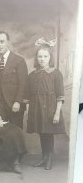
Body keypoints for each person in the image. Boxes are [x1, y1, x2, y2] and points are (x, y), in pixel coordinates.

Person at [26, 37, 65, 170]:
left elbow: (60, 95)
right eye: (40, 56)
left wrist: (57, 113)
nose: (42, 59)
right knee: (42, 133)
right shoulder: (32, 75)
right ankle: (43, 158)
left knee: (48, 133)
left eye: (45, 56)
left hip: (51, 108)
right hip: (37, 108)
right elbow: (29, 95)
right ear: (36, 58)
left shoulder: (56, 74)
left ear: (50, 58)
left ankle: (49, 159)